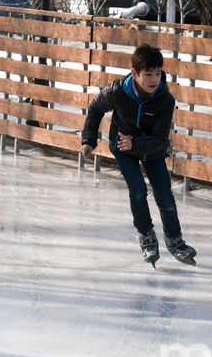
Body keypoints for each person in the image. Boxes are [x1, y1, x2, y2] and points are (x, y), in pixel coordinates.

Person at [80, 43, 197, 268]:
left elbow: (161, 139)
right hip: (123, 148)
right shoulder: (117, 91)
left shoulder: (165, 100)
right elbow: (95, 108)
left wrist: (137, 143)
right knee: (138, 190)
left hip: (152, 149)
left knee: (165, 196)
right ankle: (146, 235)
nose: (154, 80)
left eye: (158, 73)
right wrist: (89, 140)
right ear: (135, 74)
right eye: (148, 75)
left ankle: (175, 240)